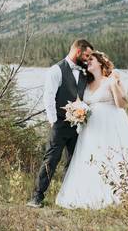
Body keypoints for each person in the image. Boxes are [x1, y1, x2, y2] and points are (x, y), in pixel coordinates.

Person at [55, 50, 128, 209]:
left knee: (109, 157)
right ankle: (90, 194)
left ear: (101, 62)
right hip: (91, 129)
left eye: (91, 59)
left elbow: (122, 104)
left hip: (110, 127)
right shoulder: (86, 84)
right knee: (91, 159)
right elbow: (81, 102)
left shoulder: (111, 80)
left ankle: (116, 194)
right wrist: (76, 111)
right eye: (86, 61)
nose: (88, 62)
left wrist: (114, 84)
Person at [27, 39, 94, 208]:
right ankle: (37, 196)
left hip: (79, 125)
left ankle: (69, 197)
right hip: (59, 124)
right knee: (51, 159)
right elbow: (48, 97)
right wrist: (53, 121)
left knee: (74, 161)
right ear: (78, 51)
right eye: (86, 55)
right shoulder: (56, 70)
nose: (88, 59)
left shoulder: (85, 72)